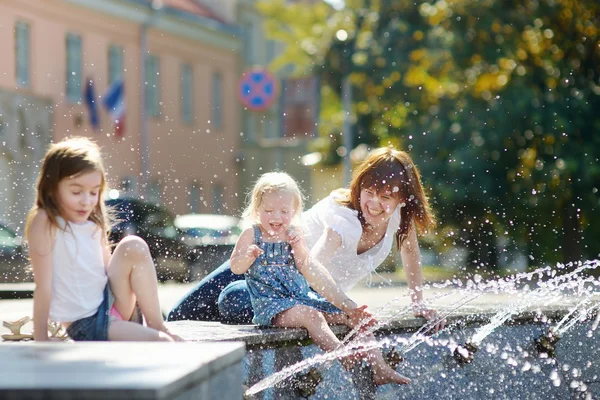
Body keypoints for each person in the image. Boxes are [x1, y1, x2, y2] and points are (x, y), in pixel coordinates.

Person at [168, 146, 445, 332]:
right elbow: (311, 267)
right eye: (369, 192)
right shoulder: (342, 216)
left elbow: (411, 253)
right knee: (180, 317)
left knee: (233, 302)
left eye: (386, 197)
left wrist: (418, 301)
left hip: (286, 296)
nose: (374, 203)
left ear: (401, 199)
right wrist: (344, 306)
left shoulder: (400, 218)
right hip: (257, 259)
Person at [231, 171, 410, 384]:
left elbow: (307, 266)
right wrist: (249, 255)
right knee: (312, 316)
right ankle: (341, 354)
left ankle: (380, 367)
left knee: (355, 315)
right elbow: (236, 267)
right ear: (256, 209)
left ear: (295, 211)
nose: (276, 217)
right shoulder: (252, 234)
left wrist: (299, 247)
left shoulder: (293, 233)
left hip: (300, 298)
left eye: (284, 211)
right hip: (271, 306)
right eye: (269, 211)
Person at [26, 137, 183, 342]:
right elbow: (43, 286)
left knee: (132, 245)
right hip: (87, 324)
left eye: (94, 192)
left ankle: (158, 324)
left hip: (109, 304)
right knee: (162, 343)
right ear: (52, 187)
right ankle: (155, 334)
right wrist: (41, 340)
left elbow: (108, 272)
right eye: (76, 192)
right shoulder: (46, 221)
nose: (86, 201)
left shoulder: (93, 224)